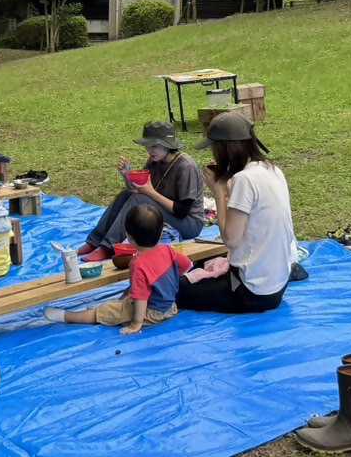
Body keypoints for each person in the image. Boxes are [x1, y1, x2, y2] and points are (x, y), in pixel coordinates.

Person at [176, 111, 298, 314]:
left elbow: (230, 240)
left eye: (214, 149)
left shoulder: (244, 180)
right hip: (277, 284)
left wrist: (218, 192)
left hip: (252, 292)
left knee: (171, 291)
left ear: (225, 150)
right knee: (198, 266)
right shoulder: (273, 170)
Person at [77, 121, 206, 262]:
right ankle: (94, 242)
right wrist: (127, 174)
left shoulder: (186, 166)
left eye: (154, 146)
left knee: (140, 200)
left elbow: (181, 211)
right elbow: (136, 191)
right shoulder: (154, 160)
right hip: (166, 213)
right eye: (147, 146)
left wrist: (150, 192)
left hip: (189, 224)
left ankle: (108, 247)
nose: (150, 150)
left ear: (168, 146)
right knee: (126, 194)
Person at [48, 203, 187, 334]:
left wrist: (136, 324)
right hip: (170, 307)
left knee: (105, 311)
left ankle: (68, 316)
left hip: (152, 313)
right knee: (126, 298)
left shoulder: (138, 263)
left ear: (129, 237)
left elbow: (141, 298)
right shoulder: (168, 250)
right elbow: (186, 265)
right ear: (161, 231)